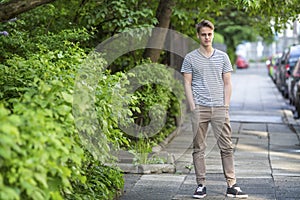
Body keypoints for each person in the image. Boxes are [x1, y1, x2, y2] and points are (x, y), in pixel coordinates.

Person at [181, 19, 248, 199]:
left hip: (219, 107)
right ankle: (201, 184)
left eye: (209, 34)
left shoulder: (223, 57)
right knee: (198, 148)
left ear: (213, 33)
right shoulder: (190, 58)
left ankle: (232, 185)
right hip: (200, 108)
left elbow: (228, 83)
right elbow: (186, 83)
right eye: (203, 34)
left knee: (226, 147)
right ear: (198, 36)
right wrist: (193, 106)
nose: (207, 37)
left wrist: (225, 106)